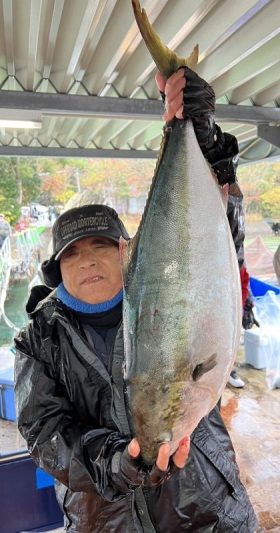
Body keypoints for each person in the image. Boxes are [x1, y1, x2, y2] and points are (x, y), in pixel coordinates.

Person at [14, 68, 258, 532]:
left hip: (207, 515)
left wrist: (203, 141)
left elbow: (218, 248)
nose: (87, 263)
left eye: (100, 247)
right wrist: (114, 463)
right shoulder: (37, 340)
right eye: (73, 255)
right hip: (106, 521)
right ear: (57, 268)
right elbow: (44, 434)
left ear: (125, 251)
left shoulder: (169, 282)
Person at [226, 184, 260, 388]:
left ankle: (228, 369)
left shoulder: (236, 250)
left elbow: (243, 275)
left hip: (231, 283)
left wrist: (245, 302)